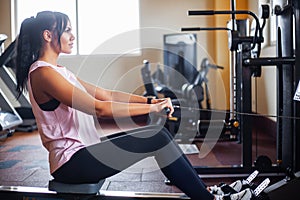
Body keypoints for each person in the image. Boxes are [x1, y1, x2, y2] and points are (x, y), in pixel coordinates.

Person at [14, 11, 254, 200]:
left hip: (83, 153)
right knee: (157, 136)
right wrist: (151, 110)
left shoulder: (58, 71)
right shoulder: (43, 74)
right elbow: (100, 108)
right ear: (47, 35)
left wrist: (150, 101)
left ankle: (206, 192)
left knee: (159, 134)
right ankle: (206, 198)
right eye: (66, 31)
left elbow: (106, 94)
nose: (72, 36)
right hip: (72, 163)